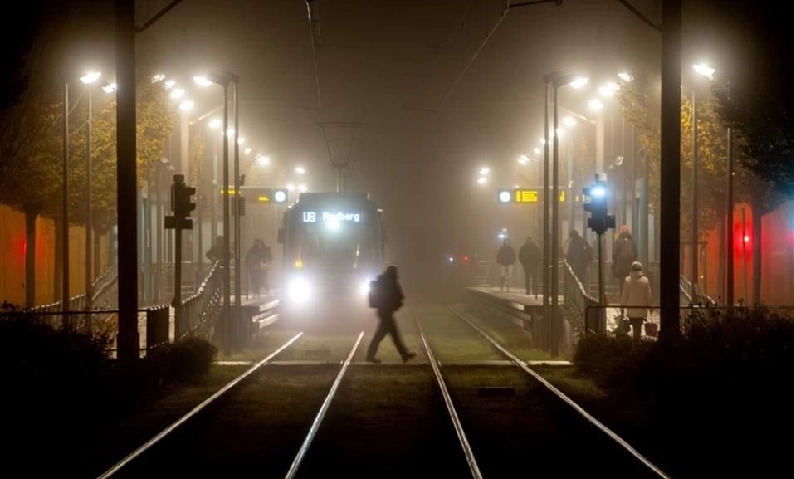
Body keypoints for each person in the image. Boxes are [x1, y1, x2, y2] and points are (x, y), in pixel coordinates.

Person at [366, 266, 416, 364]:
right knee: (392, 335)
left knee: (382, 335)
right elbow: (399, 296)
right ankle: (404, 354)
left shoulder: (384, 281)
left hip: (383, 312)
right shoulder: (390, 282)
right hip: (386, 312)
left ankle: (371, 355)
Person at [618, 261, 653, 340]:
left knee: (634, 327)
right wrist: (650, 307)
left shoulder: (627, 280)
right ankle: (637, 342)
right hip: (641, 310)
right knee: (638, 328)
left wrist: (622, 307)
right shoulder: (645, 280)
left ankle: (635, 343)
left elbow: (624, 296)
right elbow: (648, 296)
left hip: (631, 309)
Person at [612, 225, 638, 296]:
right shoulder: (632, 241)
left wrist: (614, 266)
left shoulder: (618, 241)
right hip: (630, 268)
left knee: (622, 285)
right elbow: (635, 255)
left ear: (621, 232)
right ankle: (630, 300)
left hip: (620, 268)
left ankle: (622, 301)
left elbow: (614, 255)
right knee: (630, 285)